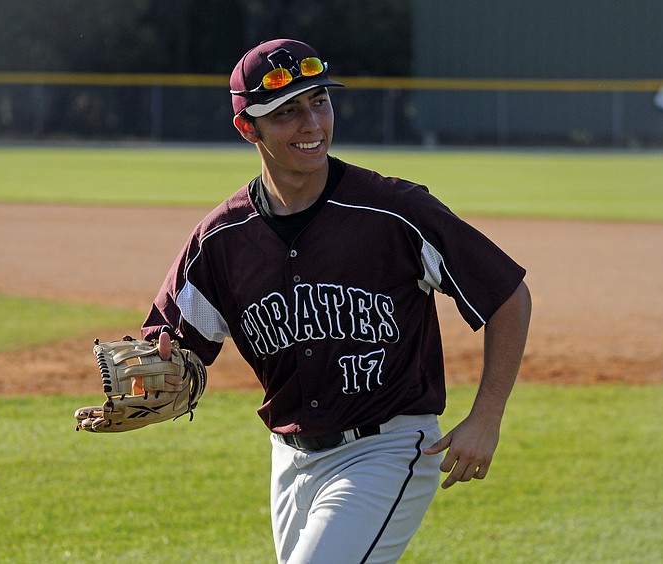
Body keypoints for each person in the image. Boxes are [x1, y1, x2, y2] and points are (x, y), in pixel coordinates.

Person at [142, 38, 531, 563]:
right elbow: (172, 344)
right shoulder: (222, 239)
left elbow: (507, 294)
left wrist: (487, 416)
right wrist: (157, 369)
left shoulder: (393, 211)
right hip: (290, 461)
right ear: (247, 128)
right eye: (286, 112)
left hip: (387, 447)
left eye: (319, 102)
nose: (311, 124)